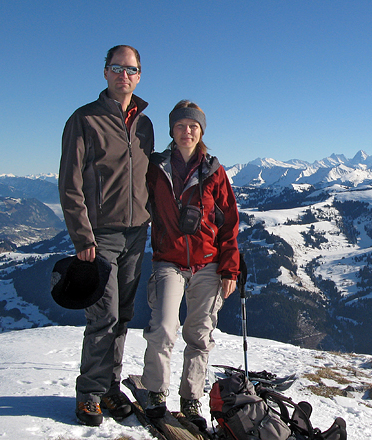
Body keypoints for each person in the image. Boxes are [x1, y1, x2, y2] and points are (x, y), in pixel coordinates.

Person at [59, 45, 154, 426]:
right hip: (100, 236)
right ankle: (89, 394)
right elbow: (70, 183)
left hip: (137, 234)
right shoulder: (84, 119)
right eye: (116, 68)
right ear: (105, 72)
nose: (123, 75)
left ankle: (110, 387)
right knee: (104, 315)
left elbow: (147, 176)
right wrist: (83, 237)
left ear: (139, 76)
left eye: (130, 69)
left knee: (123, 315)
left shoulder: (144, 125)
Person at [141, 100, 240, 430]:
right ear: (172, 130)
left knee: (199, 335)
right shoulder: (156, 168)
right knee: (163, 328)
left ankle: (191, 397)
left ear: (201, 132)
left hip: (208, 264)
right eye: (181, 125)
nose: (187, 131)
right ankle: (156, 391)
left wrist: (230, 269)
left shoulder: (213, 171)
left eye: (193, 126)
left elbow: (229, 223)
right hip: (168, 262)